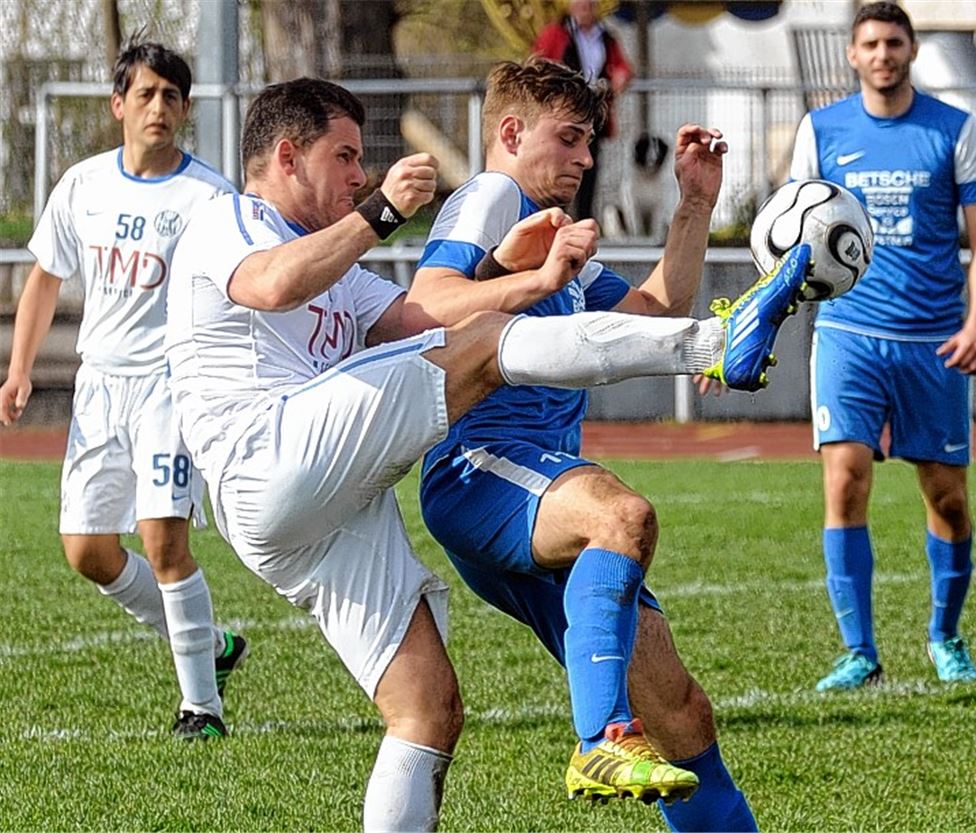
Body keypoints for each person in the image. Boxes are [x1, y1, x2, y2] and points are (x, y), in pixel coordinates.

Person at [164, 74, 807, 832]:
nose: (358, 175)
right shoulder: (230, 221)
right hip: (272, 452)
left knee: (429, 707)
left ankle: (612, 745)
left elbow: (418, 316)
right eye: (343, 157)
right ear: (286, 156)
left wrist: (544, 270)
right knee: (499, 367)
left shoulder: (360, 272)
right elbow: (275, 286)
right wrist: (385, 213)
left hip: (324, 507)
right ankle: (716, 343)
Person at [406, 57, 811, 830]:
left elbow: (657, 311)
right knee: (622, 515)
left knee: (685, 716)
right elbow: (429, 301)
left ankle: (622, 737)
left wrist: (694, 203)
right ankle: (599, 739)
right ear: (512, 133)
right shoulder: (493, 196)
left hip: (536, 487)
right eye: (572, 139)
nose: (588, 158)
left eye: (591, 142)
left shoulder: (556, 236)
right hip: (479, 470)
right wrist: (524, 276)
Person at [0, 38, 248, 739]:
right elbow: (45, 277)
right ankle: (212, 643)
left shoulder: (208, 196)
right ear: (118, 106)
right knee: (86, 550)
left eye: (172, 95)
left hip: (171, 385)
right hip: (99, 387)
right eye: (146, 94)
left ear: (186, 109)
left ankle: (202, 706)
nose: (159, 107)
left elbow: (239, 287)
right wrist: (19, 371)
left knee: (163, 537)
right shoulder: (84, 185)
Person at [789, 1, 976, 690]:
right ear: (853, 55)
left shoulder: (954, 127)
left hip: (933, 340)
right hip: (848, 332)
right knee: (845, 476)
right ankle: (859, 652)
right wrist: (750, 326)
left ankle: (946, 635)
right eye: (870, 43)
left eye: (894, 42)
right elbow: (790, 238)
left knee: (948, 499)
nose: (882, 54)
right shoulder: (821, 130)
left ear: (910, 50)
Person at [533, 0, 633, 220]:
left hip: (593, 114)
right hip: (560, 115)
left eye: (589, 3)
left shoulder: (606, 37)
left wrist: (620, 77)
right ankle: (553, 221)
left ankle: (582, 222)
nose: (584, 6)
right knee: (556, 171)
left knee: (588, 171)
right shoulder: (556, 33)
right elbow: (537, 66)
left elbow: (622, 66)